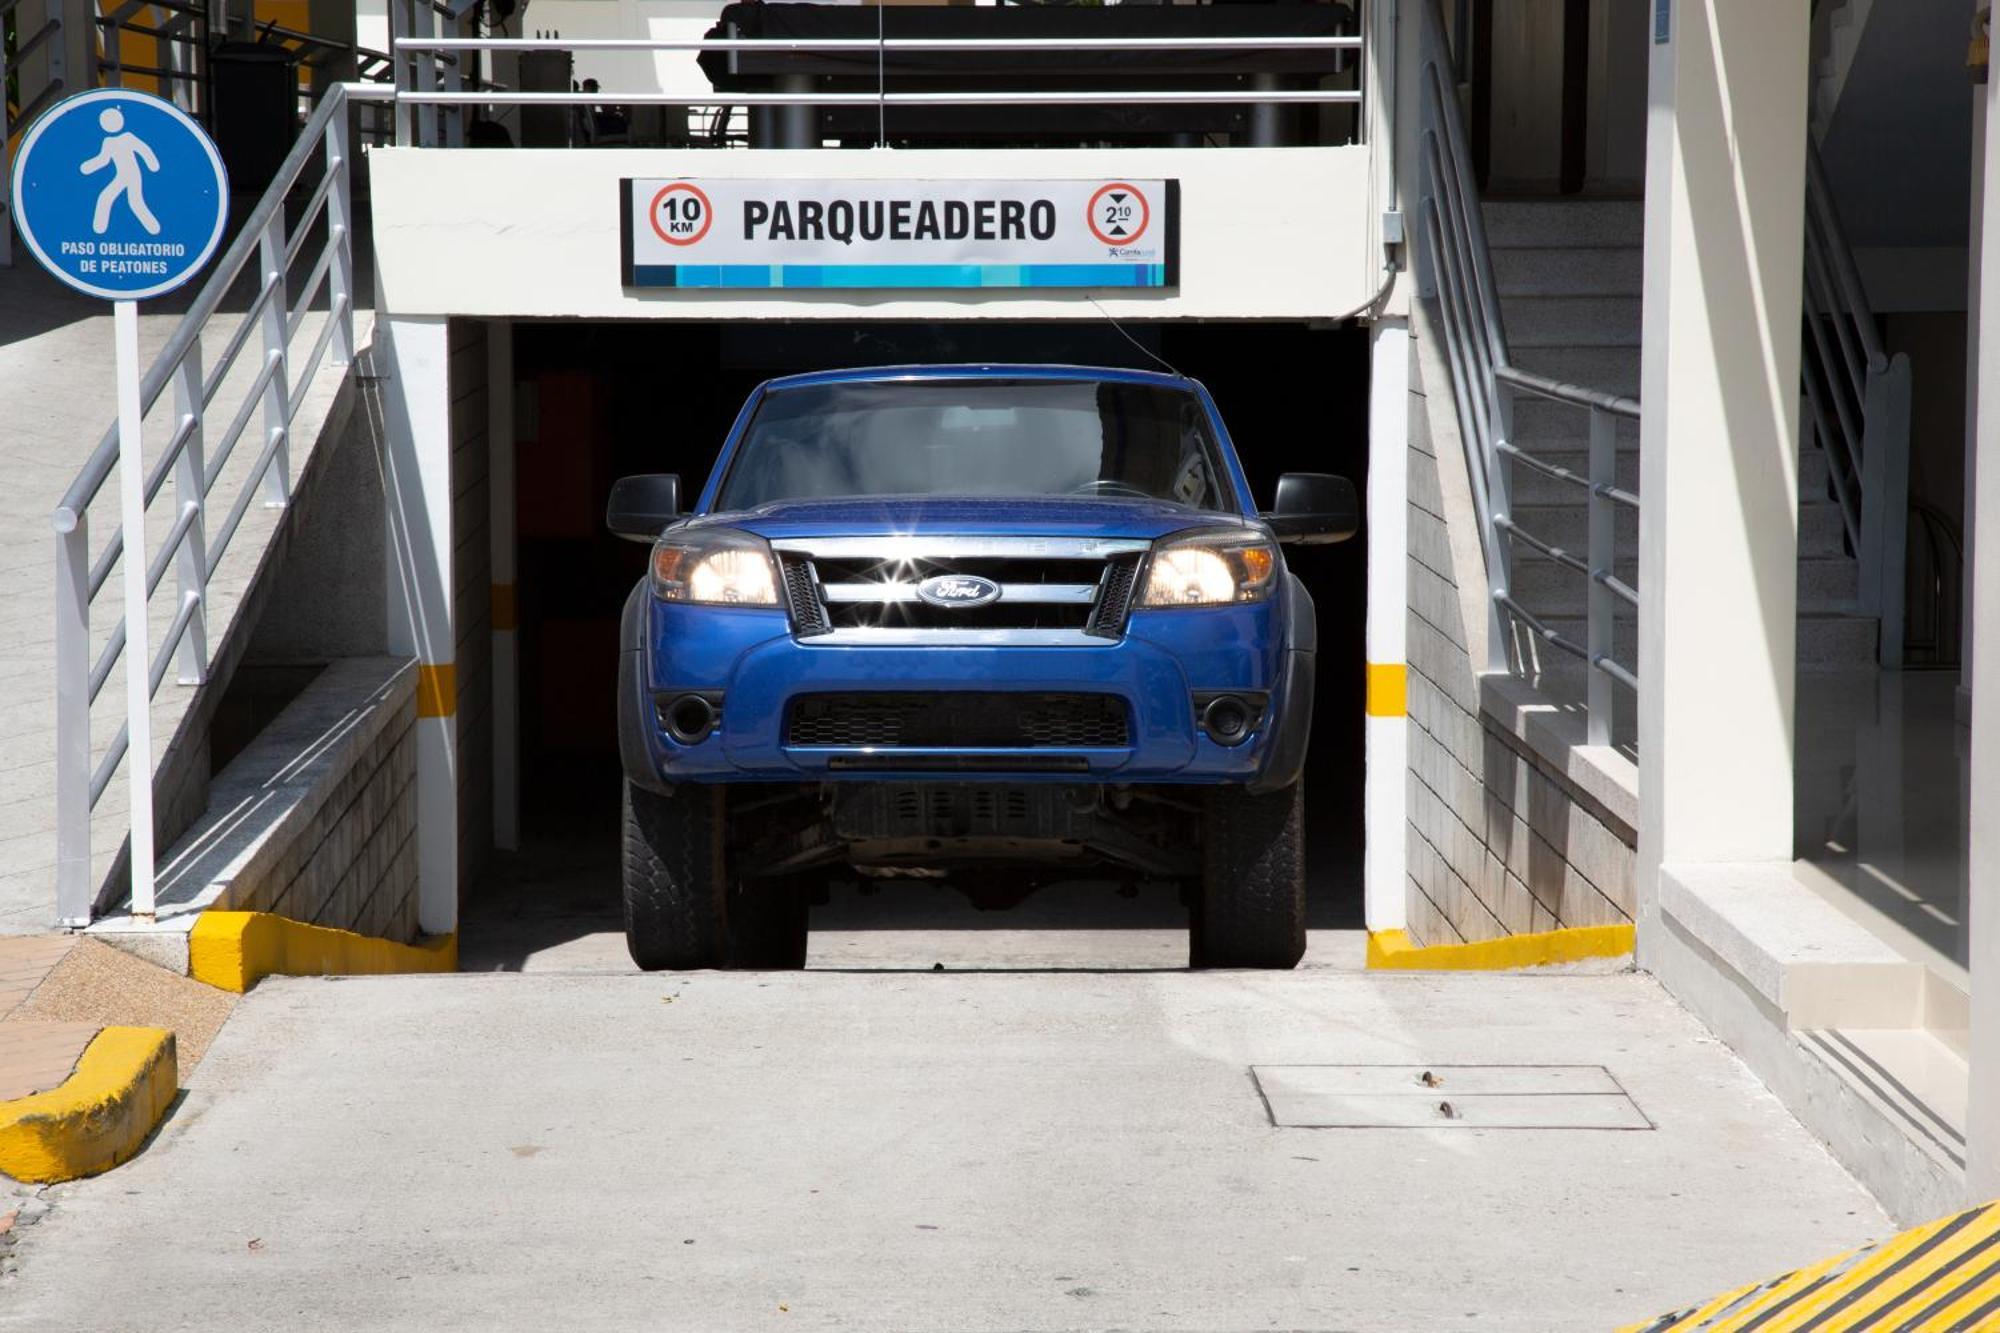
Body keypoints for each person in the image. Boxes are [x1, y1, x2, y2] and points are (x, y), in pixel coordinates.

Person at [80, 106, 161, 236]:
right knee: (106, 197)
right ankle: (99, 230)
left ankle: (154, 229)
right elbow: (103, 160)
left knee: (135, 202)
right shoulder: (108, 142)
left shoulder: (128, 137)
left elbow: (144, 149)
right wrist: (88, 167)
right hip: (122, 176)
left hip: (134, 176)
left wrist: (152, 164)